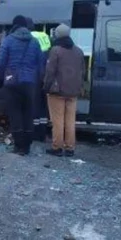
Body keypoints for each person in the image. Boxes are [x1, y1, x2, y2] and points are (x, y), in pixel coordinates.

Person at [0, 15, 44, 155]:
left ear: (14, 26)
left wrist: (3, 78)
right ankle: (27, 146)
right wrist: (36, 80)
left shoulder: (8, 41)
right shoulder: (35, 42)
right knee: (28, 113)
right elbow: (41, 65)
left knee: (15, 113)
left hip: (12, 82)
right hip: (30, 83)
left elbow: (1, 63)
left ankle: (19, 146)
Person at [43, 24, 85, 157]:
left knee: (58, 120)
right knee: (70, 121)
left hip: (57, 91)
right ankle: (70, 148)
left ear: (57, 35)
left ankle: (57, 147)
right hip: (73, 92)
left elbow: (50, 71)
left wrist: (46, 87)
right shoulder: (78, 51)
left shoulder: (56, 50)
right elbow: (82, 71)